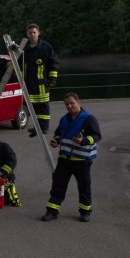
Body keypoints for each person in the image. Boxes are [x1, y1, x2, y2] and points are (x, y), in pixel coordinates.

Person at [42, 92, 102, 223]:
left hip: (82, 161)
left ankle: (85, 212)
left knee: (84, 187)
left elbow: (97, 135)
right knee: (58, 185)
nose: (69, 106)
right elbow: (59, 133)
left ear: (78, 102)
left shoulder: (89, 119)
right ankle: (52, 211)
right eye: (67, 104)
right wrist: (56, 141)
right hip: (64, 160)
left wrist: (84, 140)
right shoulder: (64, 119)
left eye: (72, 103)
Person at [21, 23, 60, 138]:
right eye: (30, 33)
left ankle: (43, 128)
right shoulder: (25, 48)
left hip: (42, 82)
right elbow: (19, 62)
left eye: (34, 32)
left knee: (43, 105)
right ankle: (37, 127)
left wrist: (53, 77)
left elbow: (53, 62)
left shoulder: (45, 47)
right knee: (33, 105)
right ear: (27, 34)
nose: (32, 35)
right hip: (29, 82)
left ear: (38, 33)